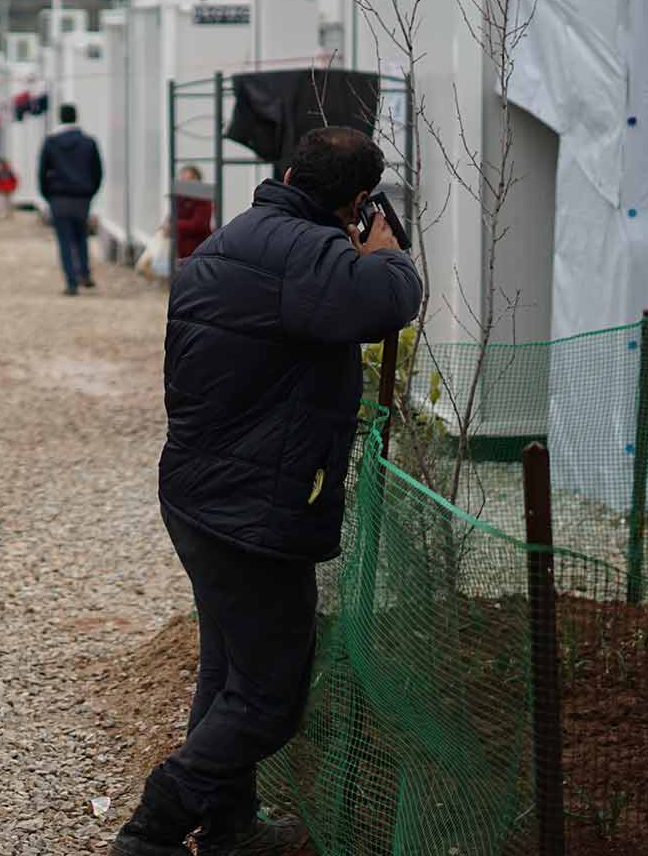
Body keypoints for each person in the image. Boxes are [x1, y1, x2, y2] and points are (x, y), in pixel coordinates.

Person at [113, 127, 421, 856]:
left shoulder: (229, 240)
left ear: (285, 172)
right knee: (271, 695)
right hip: (253, 509)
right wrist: (386, 248)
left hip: (194, 490)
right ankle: (154, 824)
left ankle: (229, 828)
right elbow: (389, 301)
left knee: (228, 672)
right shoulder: (311, 256)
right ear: (354, 201)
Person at [38, 104, 104, 296]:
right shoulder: (89, 142)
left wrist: (47, 195)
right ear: (76, 117)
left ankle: (71, 282)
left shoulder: (51, 142)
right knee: (81, 236)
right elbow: (98, 171)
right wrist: (91, 192)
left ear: (60, 118)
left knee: (65, 240)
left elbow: (42, 172)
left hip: (58, 196)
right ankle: (84, 271)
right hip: (82, 197)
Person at [173, 164, 215, 263]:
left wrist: (175, 225)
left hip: (197, 250)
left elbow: (199, 224)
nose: (185, 183)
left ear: (197, 181)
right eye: (183, 179)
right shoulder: (180, 198)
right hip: (182, 250)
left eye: (189, 179)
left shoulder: (203, 199)